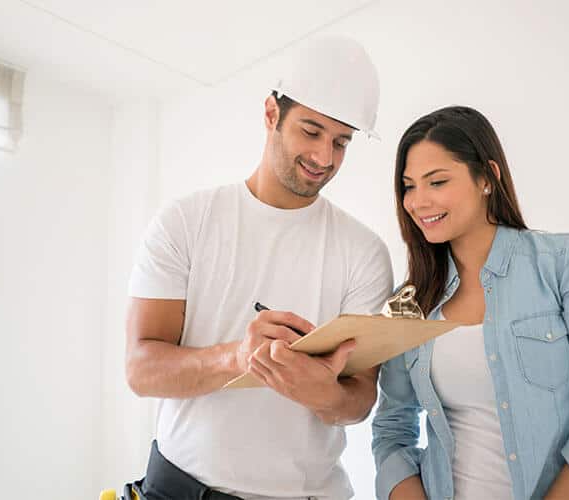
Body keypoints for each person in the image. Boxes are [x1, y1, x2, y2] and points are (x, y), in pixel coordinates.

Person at [124, 35, 393, 500]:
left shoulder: (364, 252)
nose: (324, 158)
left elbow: (360, 399)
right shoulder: (186, 222)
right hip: (179, 490)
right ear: (272, 113)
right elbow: (141, 369)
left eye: (341, 142)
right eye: (311, 132)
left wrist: (322, 392)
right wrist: (235, 358)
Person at [372, 106, 569, 499]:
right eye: (409, 185)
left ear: (487, 177)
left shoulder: (568, 265)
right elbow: (392, 430)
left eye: (437, 181)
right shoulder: (409, 302)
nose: (418, 201)